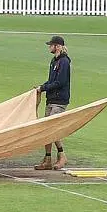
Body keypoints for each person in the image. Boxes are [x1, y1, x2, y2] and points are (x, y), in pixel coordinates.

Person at [33, 35, 71, 170]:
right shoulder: (54, 61)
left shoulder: (64, 62)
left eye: (51, 45)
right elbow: (50, 81)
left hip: (59, 100)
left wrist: (43, 88)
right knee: (46, 127)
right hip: (51, 98)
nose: (49, 47)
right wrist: (41, 87)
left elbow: (60, 82)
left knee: (52, 128)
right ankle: (48, 158)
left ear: (58, 46)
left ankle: (62, 155)